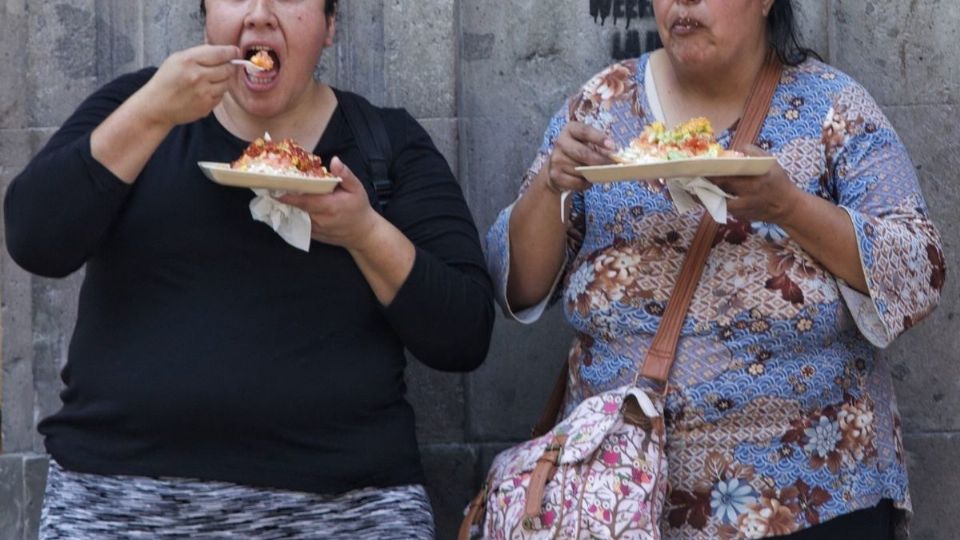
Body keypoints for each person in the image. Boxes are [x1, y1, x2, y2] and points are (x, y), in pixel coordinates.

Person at [4, 0, 494, 538]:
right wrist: (152, 113)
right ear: (207, 18)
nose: (259, 14)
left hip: (345, 506)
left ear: (330, 25)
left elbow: (465, 335)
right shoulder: (142, 108)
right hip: (118, 497)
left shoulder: (384, 144)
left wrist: (364, 232)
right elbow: (35, 241)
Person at [485, 0, 944, 538]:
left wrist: (789, 207)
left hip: (812, 496)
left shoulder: (831, 108)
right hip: (620, 499)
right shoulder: (602, 105)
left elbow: (918, 267)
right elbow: (515, 284)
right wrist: (552, 186)